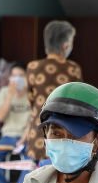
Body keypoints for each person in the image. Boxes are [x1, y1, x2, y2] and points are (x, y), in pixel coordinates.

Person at [20, 21, 84, 171]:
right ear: (65, 45)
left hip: (39, 132)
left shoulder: (33, 67)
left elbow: (31, 100)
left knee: (39, 179)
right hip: (66, 132)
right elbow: (79, 102)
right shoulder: (73, 69)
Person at [0, 62, 31, 183]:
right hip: (7, 136)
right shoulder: (4, 92)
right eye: (13, 76)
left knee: (31, 160)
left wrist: (25, 137)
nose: (17, 79)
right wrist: (10, 96)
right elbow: (0, 117)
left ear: (26, 77)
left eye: (20, 76)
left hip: (26, 136)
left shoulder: (32, 93)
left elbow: (34, 119)